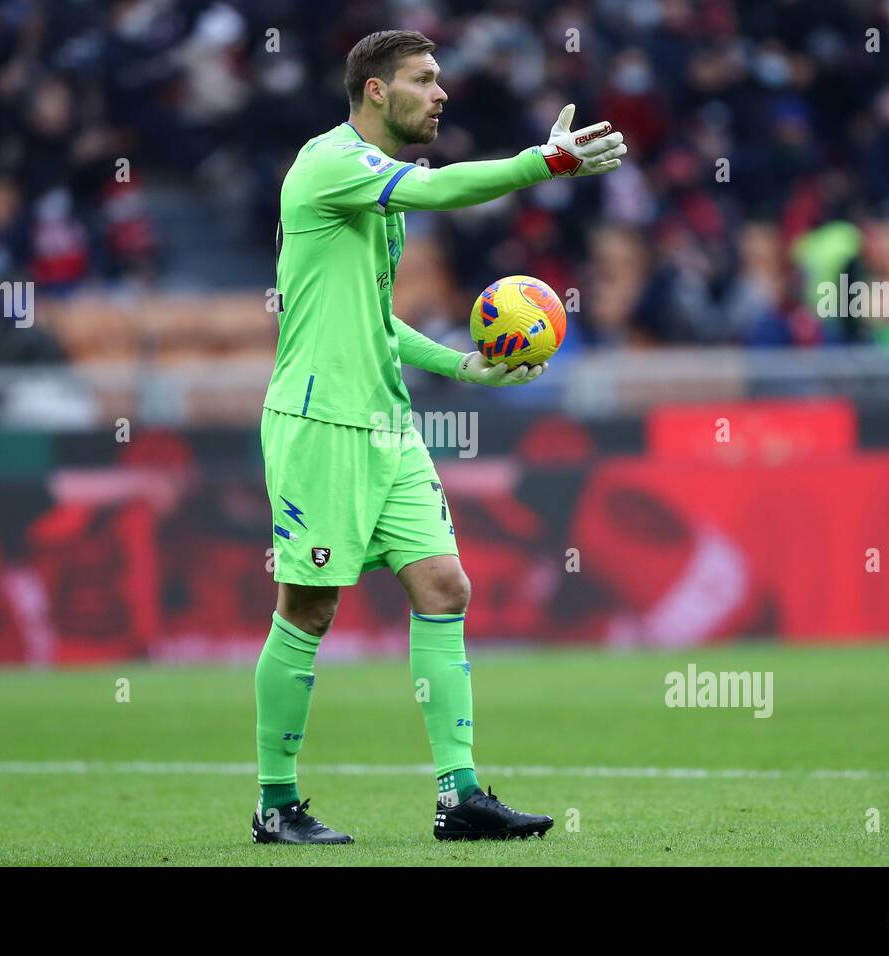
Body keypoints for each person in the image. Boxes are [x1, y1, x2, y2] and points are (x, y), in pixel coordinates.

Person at [252, 29, 626, 844]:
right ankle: (275, 804)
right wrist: (545, 164)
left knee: (445, 587)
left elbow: (373, 317)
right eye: (424, 79)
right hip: (320, 424)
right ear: (377, 92)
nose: (441, 92)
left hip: (387, 425)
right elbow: (444, 191)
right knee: (308, 609)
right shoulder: (329, 164)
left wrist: (458, 367)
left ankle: (459, 798)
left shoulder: (371, 192)